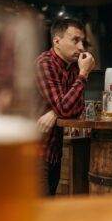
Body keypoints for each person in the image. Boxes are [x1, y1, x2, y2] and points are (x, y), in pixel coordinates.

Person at [36, 18, 95, 196]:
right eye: (75, 40)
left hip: (54, 152)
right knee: (40, 214)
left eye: (82, 41)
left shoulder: (72, 68)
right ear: (57, 41)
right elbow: (66, 108)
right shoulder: (45, 64)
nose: (81, 47)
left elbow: (77, 108)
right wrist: (84, 73)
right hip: (34, 153)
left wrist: (55, 113)